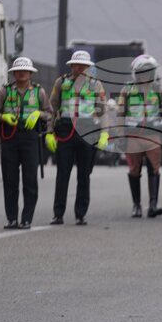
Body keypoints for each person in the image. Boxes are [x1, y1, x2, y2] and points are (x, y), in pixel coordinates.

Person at [0, 57, 52, 229]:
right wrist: (3, 117)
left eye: (25, 70)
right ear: (13, 73)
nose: (21, 73)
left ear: (30, 73)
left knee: (30, 179)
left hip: (30, 138)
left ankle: (27, 219)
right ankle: (12, 218)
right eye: (18, 71)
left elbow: (50, 113)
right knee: (10, 180)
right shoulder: (4, 91)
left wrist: (38, 114)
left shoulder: (39, 92)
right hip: (10, 138)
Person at [48, 50, 109, 226]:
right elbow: (53, 108)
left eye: (83, 66)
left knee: (84, 175)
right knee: (63, 174)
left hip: (88, 129)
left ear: (88, 67)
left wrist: (104, 132)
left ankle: (80, 214)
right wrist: (50, 132)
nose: (79, 68)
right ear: (71, 65)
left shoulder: (96, 85)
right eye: (77, 65)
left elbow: (103, 111)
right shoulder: (61, 82)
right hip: (65, 130)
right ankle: (58, 213)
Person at [118, 54, 162, 219]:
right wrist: (120, 135)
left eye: (149, 72)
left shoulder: (158, 90)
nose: (146, 75)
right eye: (143, 72)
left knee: (154, 168)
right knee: (134, 170)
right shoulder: (127, 90)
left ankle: (153, 205)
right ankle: (136, 205)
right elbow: (120, 113)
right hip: (133, 135)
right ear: (136, 73)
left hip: (152, 135)